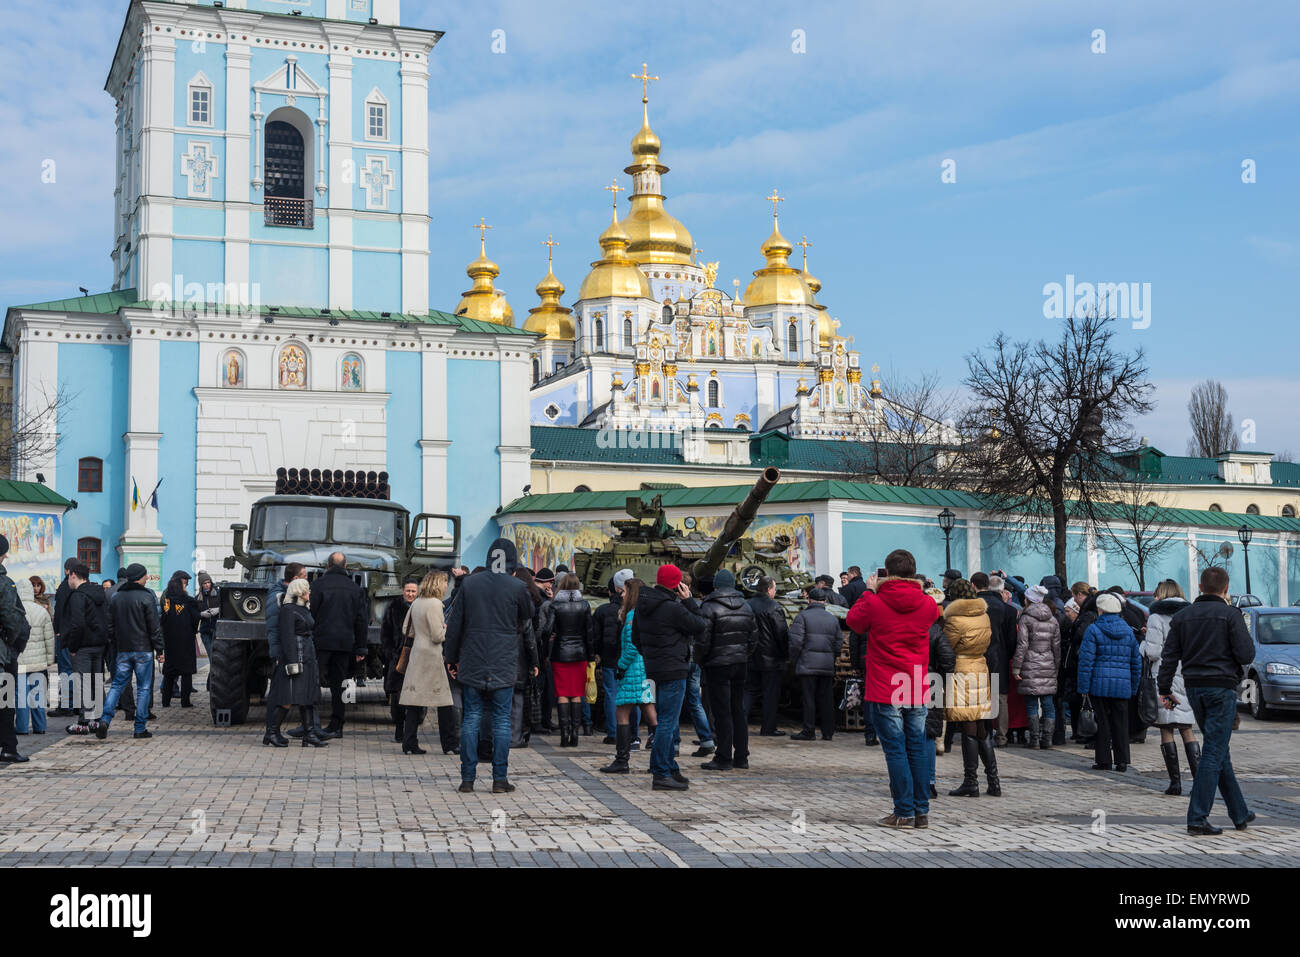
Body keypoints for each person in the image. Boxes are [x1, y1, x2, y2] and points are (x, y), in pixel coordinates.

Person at [847, 551, 943, 828]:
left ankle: (903, 811)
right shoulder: (927, 604)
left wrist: (867, 592)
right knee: (917, 746)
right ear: (914, 573)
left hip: (885, 683)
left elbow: (854, 622)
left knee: (895, 750)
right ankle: (921, 811)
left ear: (886, 573)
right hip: (915, 680)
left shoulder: (875, 602)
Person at [1158, 566, 1255, 835]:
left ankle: (1239, 813)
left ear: (1200, 587)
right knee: (1214, 751)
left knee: (1218, 749)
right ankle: (1197, 817)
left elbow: (1169, 656)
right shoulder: (1231, 615)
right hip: (1221, 689)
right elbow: (1246, 654)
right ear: (1226, 589)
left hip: (1194, 689)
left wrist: (1164, 689)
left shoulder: (1183, 616)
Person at [444, 538, 534, 794]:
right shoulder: (517, 586)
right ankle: (499, 779)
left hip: (472, 660)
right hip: (504, 662)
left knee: (471, 718)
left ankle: (468, 779)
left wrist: (451, 659)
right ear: (512, 562)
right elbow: (528, 615)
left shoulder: (470, 584)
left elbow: (455, 627)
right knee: (501, 721)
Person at [632, 564, 707, 791]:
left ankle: (669, 767)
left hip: (654, 668)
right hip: (673, 668)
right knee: (668, 722)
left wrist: (652, 656)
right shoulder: (673, 608)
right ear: (677, 584)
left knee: (664, 721)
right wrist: (689, 601)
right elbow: (700, 626)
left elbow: (636, 639)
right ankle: (661, 772)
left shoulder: (643, 605)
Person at [941, 578, 1000, 798]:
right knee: (982, 725)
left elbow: (948, 647)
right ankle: (994, 781)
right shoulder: (983, 615)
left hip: (962, 670)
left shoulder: (955, 620)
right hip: (980, 668)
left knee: (968, 725)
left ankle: (971, 781)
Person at [694, 568, 757, 771]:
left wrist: (701, 661)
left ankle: (723, 757)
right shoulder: (746, 607)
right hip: (740, 663)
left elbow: (702, 641)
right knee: (738, 709)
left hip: (717, 664)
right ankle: (741, 756)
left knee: (721, 712)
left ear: (716, 586)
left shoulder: (710, 606)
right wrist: (743, 655)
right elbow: (753, 639)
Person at [1142, 579, 1199, 795]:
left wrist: (1143, 643)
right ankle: (1198, 782)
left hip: (1165, 679)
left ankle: (1175, 783)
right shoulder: (1190, 615)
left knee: (1167, 727)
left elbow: (1153, 653)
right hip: (1186, 676)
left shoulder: (1156, 618)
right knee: (1186, 727)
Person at [95, 564, 163, 740]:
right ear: (140, 577)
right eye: (145, 575)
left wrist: (115, 644)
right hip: (143, 650)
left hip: (123, 650)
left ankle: (105, 720)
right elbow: (154, 627)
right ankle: (139, 728)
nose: (147, 577)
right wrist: (160, 649)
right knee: (143, 688)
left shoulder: (117, 597)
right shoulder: (147, 597)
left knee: (117, 685)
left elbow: (110, 626)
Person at [1076, 592, 1142, 772]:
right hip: (1122, 686)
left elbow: (1086, 661)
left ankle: (1104, 760)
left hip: (1099, 684)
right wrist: (1134, 686)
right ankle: (1122, 761)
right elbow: (1136, 662)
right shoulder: (1128, 631)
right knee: (1121, 723)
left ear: (1101, 610)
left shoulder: (1093, 629)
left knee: (1102, 723)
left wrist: (1083, 687)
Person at [309, 552, 368, 737]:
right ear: (346, 566)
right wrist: (361, 647)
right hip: (344, 643)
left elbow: (310, 615)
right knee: (340, 684)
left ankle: (311, 723)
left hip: (320, 642)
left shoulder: (317, 586)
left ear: (327, 566)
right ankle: (337, 725)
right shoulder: (355, 589)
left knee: (312, 682)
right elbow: (361, 620)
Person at [397, 571, 456, 755]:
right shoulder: (435, 604)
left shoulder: (417, 602)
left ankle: (409, 743)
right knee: (445, 702)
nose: (447, 586)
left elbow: (406, 629)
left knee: (415, 702)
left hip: (417, 654)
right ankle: (449, 744)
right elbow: (438, 636)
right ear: (438, 584)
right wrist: (446, 629)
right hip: (432, 656)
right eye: (445, 583)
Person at [602, 578, 654, 773]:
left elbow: (631, 646)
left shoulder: (631, 616)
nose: (621, 595)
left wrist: (621, 667)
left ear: (631, 594)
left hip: (633, 670)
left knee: (622, 713)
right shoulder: (643, 614)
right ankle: (660, 758)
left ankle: (622, 760)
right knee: (650, 713)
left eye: (624, 591)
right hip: (643, 669)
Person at [274, 577, 328, 748]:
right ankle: (272, 732)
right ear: (300, 592)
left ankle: (309, 733)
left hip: (307, 655)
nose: (309, 593)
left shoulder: (302, 609)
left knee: (308, 696)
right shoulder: (288, 610)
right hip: (297, 656)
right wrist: (292, 662)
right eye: (307, 590)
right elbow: (287, 638)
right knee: (289, 697)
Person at [61, 562, 109, 736]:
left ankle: (83, 723)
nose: (68, 581)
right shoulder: (99, 593)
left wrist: (72, 646)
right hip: (99, 645)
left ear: (73, 575)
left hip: (82, 646)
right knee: (96, 682)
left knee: (83, 684)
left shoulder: (77, 596)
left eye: (68, 577)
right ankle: (98, 720)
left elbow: (78, 624)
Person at [788, 588, 842, 742]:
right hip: (826, 665)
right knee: (826, 699)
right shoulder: (832, 618)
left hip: (807, 664)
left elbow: (795, 642)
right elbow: (838, 642)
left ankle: (809, 731)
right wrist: (833, 658)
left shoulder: (802, 616)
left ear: (809, 600)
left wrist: (795, 659)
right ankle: (828, 732)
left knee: (808, 698)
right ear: (824, 601)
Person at [1011, 584, 1061, 749]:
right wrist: (1056, 668)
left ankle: (1034, 740)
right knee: (1048, 704)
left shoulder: (1025, 618)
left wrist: (1016, 668)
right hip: (1048, 664)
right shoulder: (1053, 619)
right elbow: (1057, 647)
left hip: (1029, 665)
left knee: (1032, 703)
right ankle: (1047, 739)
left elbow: (1022, 645)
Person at [547, 574, 594, 748]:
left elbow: (547, 629)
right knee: (577, 693)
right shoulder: (585, 605)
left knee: (562, 693)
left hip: (560, 653)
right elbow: (589, 633)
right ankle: (575, 733)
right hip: (580, 653)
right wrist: (591, 656)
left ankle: (564, 734)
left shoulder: (556, 605)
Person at [263, 563, 307, 746]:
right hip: (283, 652)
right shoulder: (280, 597)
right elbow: (279, 629)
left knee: (286, 693)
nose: (307, 578)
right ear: (296, 579)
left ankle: (273, 732)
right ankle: (271, 733)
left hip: (286, 651)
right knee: (279, 694)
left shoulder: (286, 595)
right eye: (304, 575)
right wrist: (283, 654)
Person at [972, 572, 1016, 746]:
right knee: (1001, 697)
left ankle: (982, 732)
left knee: (980, 695)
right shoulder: (1009, 610)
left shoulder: (974, 606)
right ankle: (1002, 735)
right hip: (1001, 656)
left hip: (978, 655)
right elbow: (1012, 639)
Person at [0, 537, 33, 763]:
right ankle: (8, 748)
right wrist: (12, 645)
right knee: (4, 703)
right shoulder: (4, 583)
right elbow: (13, 619)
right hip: (2, 655)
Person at [745, 576, 789, 736]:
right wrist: (785, 654)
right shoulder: (774, 606)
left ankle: (740, 722)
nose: (775, 592)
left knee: (749, 691)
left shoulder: (747, 605)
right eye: (774, 589)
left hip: (751, 656)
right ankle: (768, 727)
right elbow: (781, 633)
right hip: (771, 658)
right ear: (769, 589)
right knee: (770, 694)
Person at [923, 589, 957, 798]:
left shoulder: (904, 627)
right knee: (928, 735)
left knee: (907, 734)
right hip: (931, 681)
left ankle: (907, 780)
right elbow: (948, 660)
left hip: (903, 683)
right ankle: (929, 782)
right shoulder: (935, 630)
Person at [594, 570, 633, 744]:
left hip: (609, 658)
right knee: (633, 695)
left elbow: (596, 636)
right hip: (630, 659)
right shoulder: (634, 609)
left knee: (611, 694)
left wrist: (597, 654)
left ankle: (612, 732)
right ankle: (633, 734)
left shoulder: (603, 610)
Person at [15, 576, 55, 737]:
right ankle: (40, 726)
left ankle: (22, 727)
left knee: (21, 696)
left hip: (20, 661)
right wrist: (50, 659)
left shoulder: (14, 610)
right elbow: (49, 638)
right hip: (39, 662)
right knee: (37, 695)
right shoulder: (41, 611)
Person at [382, 577, 420, 743]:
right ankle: (399, 728)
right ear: (403, 591)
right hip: (398, 657)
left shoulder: (421, 607)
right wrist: (390, 652)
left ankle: (412, 731)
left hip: (418, 657)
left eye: (413, 591)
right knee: (398, 694)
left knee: (415, 694)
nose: (410, 594)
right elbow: (386, 632)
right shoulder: (394, 607)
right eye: (408, 591)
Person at [159, 571, 202, 708]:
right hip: (186, 640)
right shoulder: (189, 601)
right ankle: (185, 702)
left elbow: (163, 620)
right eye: (185, 582)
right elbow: (196, 619)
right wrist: (192, 630)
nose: (187, 585)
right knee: (186, 673)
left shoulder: (167, 601)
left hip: (170, 640)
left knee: (169, 673)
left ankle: (166, 702)